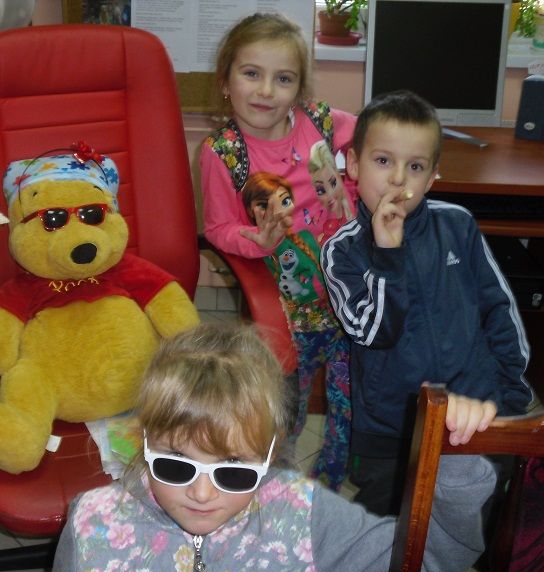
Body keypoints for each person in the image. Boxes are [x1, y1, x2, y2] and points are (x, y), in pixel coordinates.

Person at [42, 322, 498, 572]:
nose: (201, 493)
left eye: (233, 469)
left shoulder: (305, 521)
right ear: (144, 443)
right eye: (176, 463)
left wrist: (455, 462)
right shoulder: (94, 523)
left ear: (268, 454)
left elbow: (429, 562)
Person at [321, 90, 532, 517]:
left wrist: (509, 396)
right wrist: (388, 255)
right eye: (384, 161)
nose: (399, 180)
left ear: (433, 176)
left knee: (477, 518)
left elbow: (499, 310)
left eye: (415, 167)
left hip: (476, 410)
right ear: (354, 165)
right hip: (392, 428)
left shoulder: (457, 224)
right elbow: (375, 332)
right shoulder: (341, 251)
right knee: (392, 529)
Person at [200, 12, 357, 489]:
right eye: (252, 73)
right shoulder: (223, 152)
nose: (266, 91)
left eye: (283, 79)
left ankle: (332, 483)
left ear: (299, 90)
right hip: (287, 304)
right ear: (226, 81)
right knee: (286, 406)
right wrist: (256, 241)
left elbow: (374, 141)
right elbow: (218, 228)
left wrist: (362, 179)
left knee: (351, 402)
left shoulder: (322, 122)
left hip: (349, 290)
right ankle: (279, 487)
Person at [242, 172, 350, 490]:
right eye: (266, 206)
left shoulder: (306, 237)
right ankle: (280, 477)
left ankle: (329, 482)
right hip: (298, 340)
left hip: (337, 330)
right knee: (292, 408)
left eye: (285, 201)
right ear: (254, 212)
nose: (280, 210)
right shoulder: (259, 248)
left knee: (343, 407)